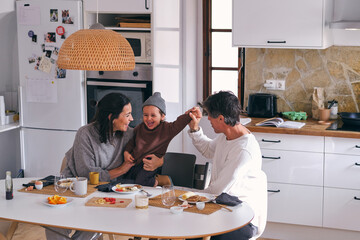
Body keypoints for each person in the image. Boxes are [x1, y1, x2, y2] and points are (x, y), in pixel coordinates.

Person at [46, 93, 163, 240]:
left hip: (104, 193)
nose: (132, 119)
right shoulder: (86, 133)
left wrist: (159, 161)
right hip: (75, 190)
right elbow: (87, 174)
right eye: (127, 115)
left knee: (92, 224)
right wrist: (122, 169)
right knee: (53, 223)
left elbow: (156, 143)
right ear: (111, 117)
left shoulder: (129, 133)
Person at [187, 91, 267, 240]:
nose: (208, 118)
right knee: (189, 228)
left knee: (194, 232)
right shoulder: (227, 136)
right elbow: (208, 149)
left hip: (243, 217)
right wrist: (194, 129)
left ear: (221, 118)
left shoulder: (243, 150)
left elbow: (218, 189)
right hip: (224, 206)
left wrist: (187, 197)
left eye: (210, 115)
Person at [123, 92, 197, 187]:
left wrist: (190, 114)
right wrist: (126, 153)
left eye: (153, 115)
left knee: (141, 182)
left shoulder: (167, 129)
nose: (149, 118)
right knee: (126, 181)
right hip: (136, 163)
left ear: (162, 116)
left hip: (152, 164)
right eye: (145, 115)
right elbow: (131, 143)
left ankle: (160, 181)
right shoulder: (139, 128)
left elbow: (179, 123)